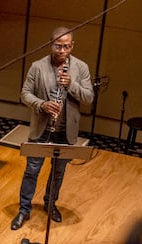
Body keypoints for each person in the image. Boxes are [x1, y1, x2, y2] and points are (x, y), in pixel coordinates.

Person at [11, 27, 94, 230]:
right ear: (51, 44)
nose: (62, 50)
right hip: (42, 129)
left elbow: (89, 98)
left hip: (65, 131)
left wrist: (71, 85)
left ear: (72, 46)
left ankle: (50, 203)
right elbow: (25, 94)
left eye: (66, 46)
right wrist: (42, 104)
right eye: (58, 46)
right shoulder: (37, 67)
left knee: (58, 172)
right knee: (32, 170)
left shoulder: (81, 68)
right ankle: (24, 210)